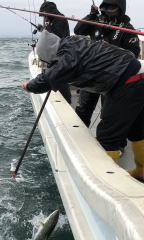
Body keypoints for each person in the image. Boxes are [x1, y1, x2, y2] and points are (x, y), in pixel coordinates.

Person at [22, 30, 144, 181]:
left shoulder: (66, 58)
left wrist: (28, 86)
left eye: (47, 61)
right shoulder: (73, 41)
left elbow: (48, 79)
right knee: (136, 130)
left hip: (128, 81)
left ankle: (110, 182)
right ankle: (141, 172)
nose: (49, 64)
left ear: (49, 53)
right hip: (138, 73)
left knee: (108, 136)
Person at [74, 0, 140, 127]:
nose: (108, 13)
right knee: (82, 112)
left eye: (112, 9)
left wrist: (112, 49)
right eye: (106, 9)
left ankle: (112, 144)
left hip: (113, 79)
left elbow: (133, 55)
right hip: (91, 74)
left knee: (110, 116)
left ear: (120, 9)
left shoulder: (128, 29)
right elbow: (78, 30)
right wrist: (91, 15)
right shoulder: (97, 21)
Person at [37, 1, 72, 104]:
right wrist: (43, 30)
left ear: (49, 12)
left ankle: (67, 101)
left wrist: (45, 30)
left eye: (45, 15)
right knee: (56, 79)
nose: (45, 18)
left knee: (61, 80)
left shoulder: (60, 19)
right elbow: (51, 34)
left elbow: (56, 37)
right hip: (55, 56)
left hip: (61, 56)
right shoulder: (53, 20)